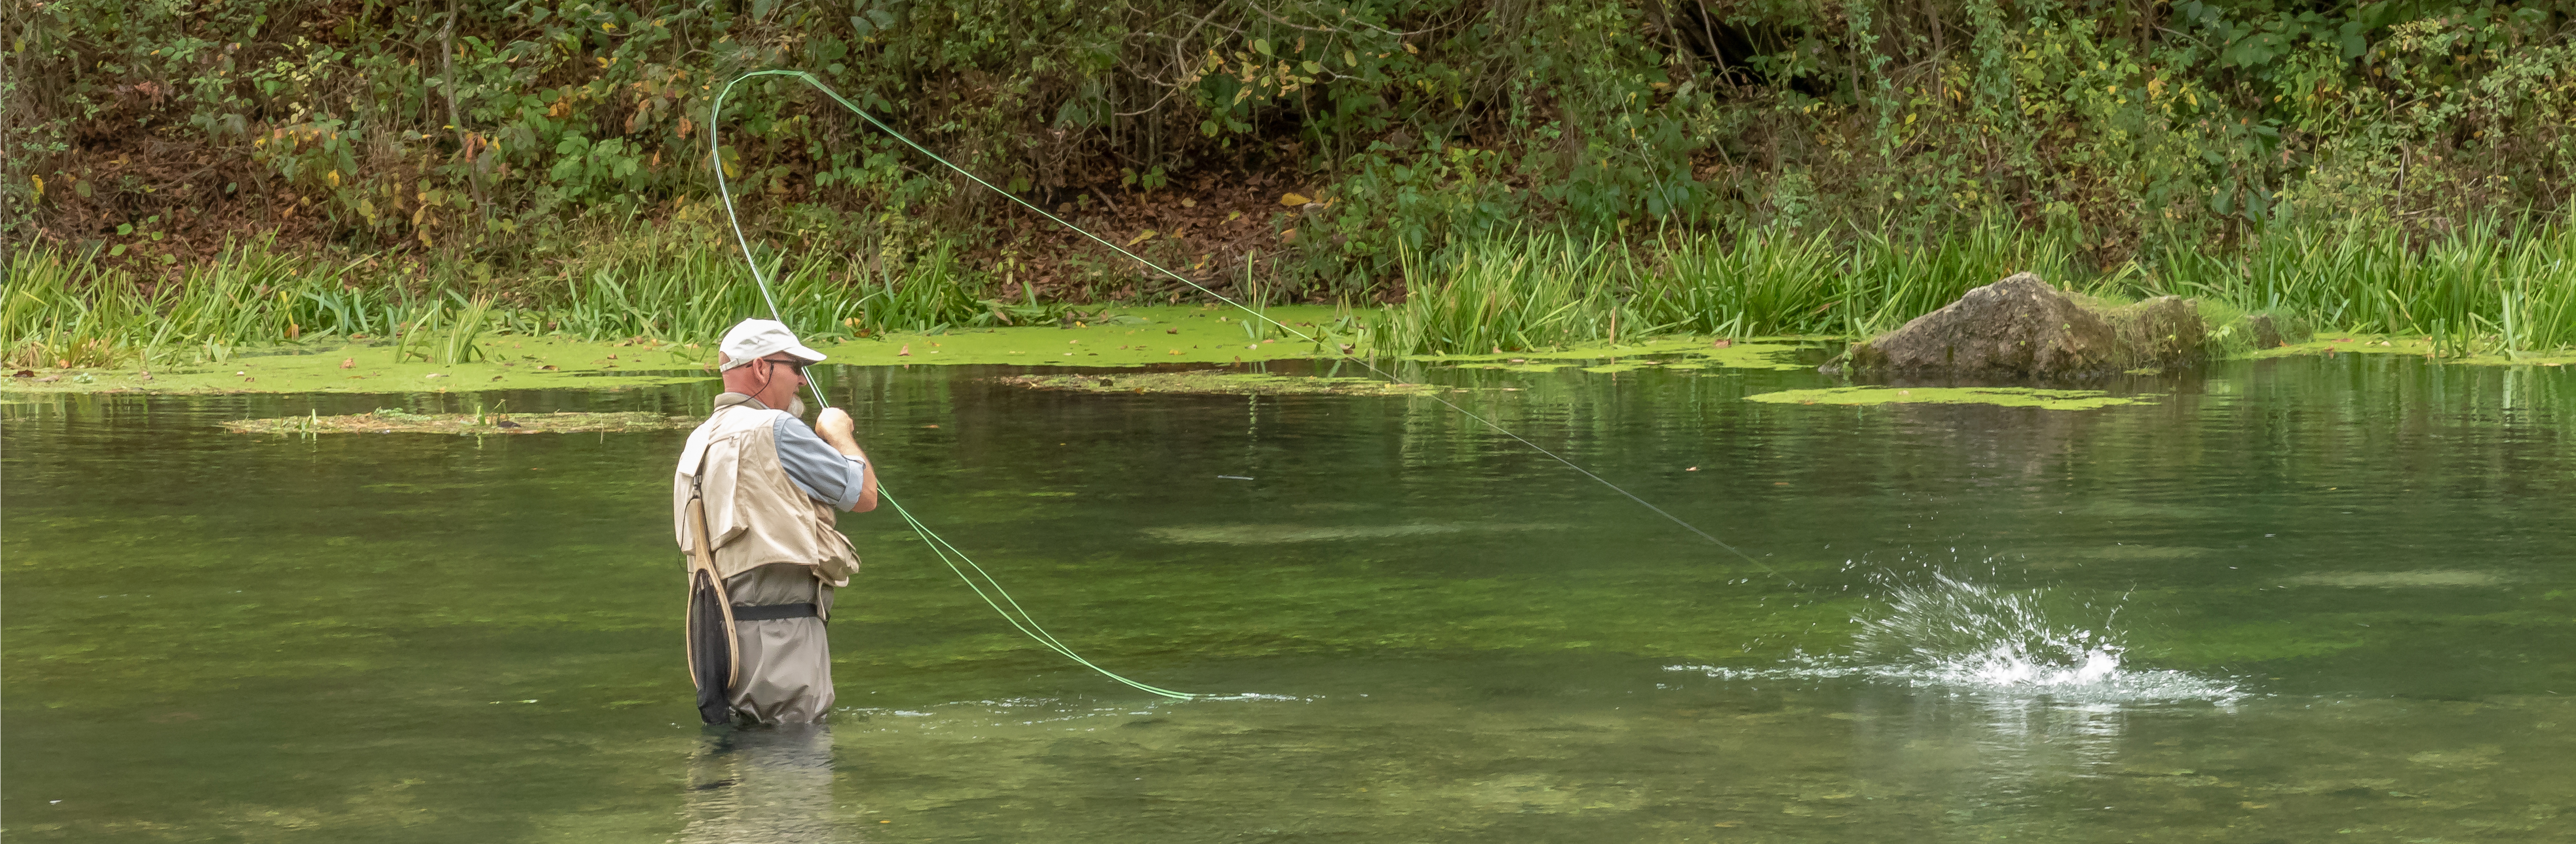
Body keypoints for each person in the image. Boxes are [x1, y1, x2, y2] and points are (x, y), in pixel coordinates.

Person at [674, 318, 879, 725]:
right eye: (796, 368)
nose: (803, 382)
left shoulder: (698, 439)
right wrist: (838, 434)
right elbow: (864, 494)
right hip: (781, 637)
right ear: (762, 368)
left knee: (745, 764)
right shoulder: (777, 429)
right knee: (794, 771)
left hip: (717, 643)